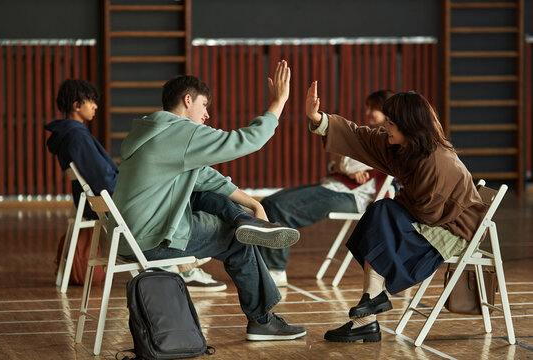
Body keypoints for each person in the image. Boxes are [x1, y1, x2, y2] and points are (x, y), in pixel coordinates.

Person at [110, 60, 306, 341]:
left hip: (127, 237)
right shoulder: (180, 132)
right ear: (187, 100)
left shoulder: (149, 130)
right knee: (238, 241)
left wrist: (254, 205)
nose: (206, 115)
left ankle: (244, 220)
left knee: (205, 193)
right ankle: (262, 320)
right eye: (204, 106)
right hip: (151, 239)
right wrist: (278, 102)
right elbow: (245, 140)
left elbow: (203, 178)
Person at [305, 82, 488, 343]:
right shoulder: (407, 148)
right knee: (382, 211)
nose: (384, 127)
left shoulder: (437, 162)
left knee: (383, 215)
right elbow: (362, 137)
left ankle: (367, 315)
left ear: (409, 126)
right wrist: (318, 119)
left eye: (390, 123)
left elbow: (429, 213)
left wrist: (400, 204)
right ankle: (370, 308)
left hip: (450, 230)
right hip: (430, 218)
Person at [45, 79, 263, 292]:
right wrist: (139, 186)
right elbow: (103, 178)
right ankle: (189, 267)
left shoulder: (68, 135)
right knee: (202, 211)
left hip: (118, 215)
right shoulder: (76, 136)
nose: (95, 106)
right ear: (76, 105)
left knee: (193, 189)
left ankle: (241, 218)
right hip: (131, 213)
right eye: (90, 101)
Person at [259, 90, 395, 286]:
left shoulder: (386, 139)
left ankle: (276, 269)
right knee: (269, 203)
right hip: (335, 186)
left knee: (280, 207)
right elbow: (338, 163)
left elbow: (345, 163)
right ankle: (265, 266)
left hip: (353, 196)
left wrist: (343, 165)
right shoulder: (368, 134)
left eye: (374, 108)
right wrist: (343, 165)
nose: (368, 111)